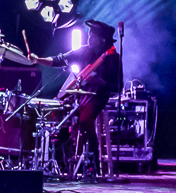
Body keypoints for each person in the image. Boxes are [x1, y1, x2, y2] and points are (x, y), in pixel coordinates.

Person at [44, 19, 124, 176]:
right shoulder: (84, 51)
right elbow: (61, 58)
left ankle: (93, 163)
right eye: (89, 35)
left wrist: (101, 82)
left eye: (92, 36)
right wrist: (39, 59)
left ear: (102, 40)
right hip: (78, 96)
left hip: (98, 96)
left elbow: (118, 87)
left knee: (85, 120)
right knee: (56, 113)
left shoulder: (113, 58)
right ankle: (62, 162)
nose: (88, 39)